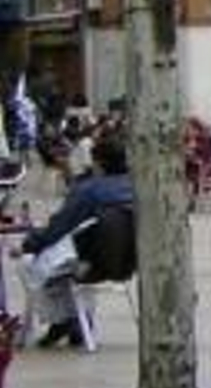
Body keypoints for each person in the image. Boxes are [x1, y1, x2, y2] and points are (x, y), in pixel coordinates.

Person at [16, 134, 135, 348]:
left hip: (91, 265)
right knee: (64, 261)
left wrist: (29, 243)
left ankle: (64, 320)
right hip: (127, 262)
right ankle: (76, 320)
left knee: (29, 263)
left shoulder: (90, 190)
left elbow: (59, 228)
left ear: (98, 162)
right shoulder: (137, 188)